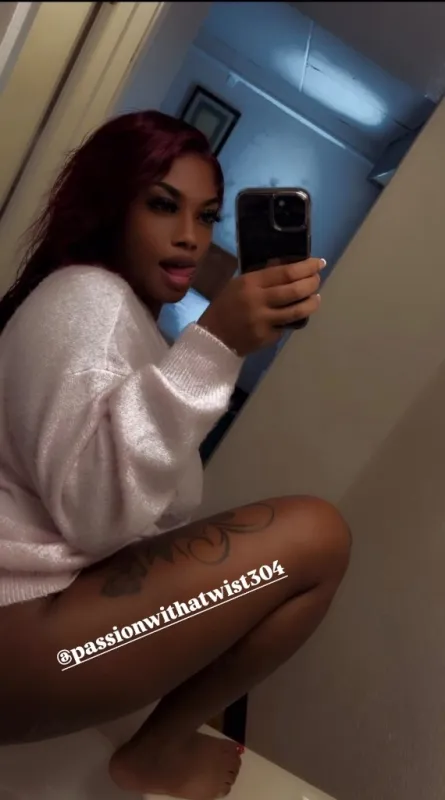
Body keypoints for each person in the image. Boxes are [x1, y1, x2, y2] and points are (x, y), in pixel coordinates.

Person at [0, 110, 351, 800]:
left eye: (207, 215)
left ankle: (159, 744)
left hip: (41, 635)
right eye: (163, 206)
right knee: (317, 535)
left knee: (292, 547)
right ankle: (155, 752)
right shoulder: (88, 298)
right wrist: (215, 346)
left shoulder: (117, 314)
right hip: (22, 639)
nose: (191, 236)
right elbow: (94, 515)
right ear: (110, 203)